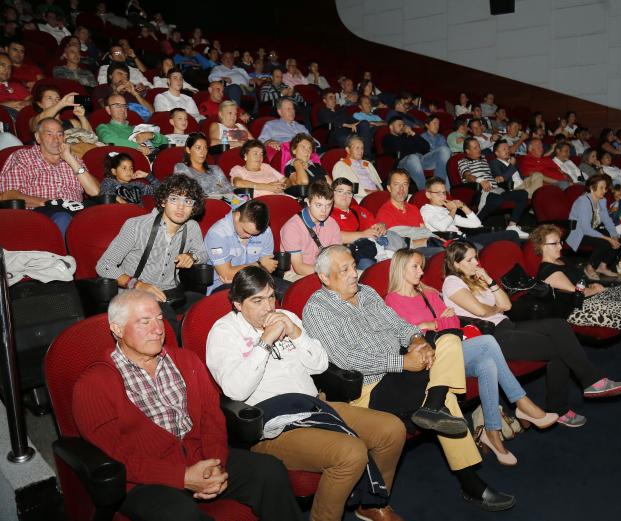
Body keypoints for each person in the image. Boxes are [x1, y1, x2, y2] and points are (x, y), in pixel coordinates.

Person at [303, 245, 516, 512]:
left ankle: (432, 406)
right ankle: (467, 475)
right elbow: (346, 360)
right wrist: (404, 361)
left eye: (354, 266)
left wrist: (417, 341)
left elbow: (399, 325)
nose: (354, 274)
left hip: (402, 369)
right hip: (369, 385)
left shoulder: (367, 293)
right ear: (324, 278)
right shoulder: (318, 309)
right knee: (446, 390)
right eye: (344, 270)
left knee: (448, 340)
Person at [73, 290, 303, 521]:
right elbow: (115, 454)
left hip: (200, 457)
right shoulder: (93, 384)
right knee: (181, 515)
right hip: (145, 480)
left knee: (269, 471)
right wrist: (181, 476)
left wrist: (216, 464)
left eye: (160, 319)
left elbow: (211, 418)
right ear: (117, 329)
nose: (158, 329)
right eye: (144, 322)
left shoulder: (185, 361)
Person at [206, 267, 406, 521]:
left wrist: (296, 333)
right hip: (272, 426)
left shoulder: (286, 317)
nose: (268, 307)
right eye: (257, 301)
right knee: (350, 452)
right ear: (237, 304)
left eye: (270, 297)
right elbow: (236, 390)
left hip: (315, 406)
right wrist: (265, 341)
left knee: (392, 429)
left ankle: (370, 504)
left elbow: (321, 365)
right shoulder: (223, 333)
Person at [385, 249, 558, 464]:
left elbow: (454, 323)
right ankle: (522, 402)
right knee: (488, 342)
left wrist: (430, 324)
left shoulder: (427, 294)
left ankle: (492, 433)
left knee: (487, 364)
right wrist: (435, 323)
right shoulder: (391, 301)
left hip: (452, 349)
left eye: (422, 266)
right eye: (416, 267)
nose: (421, 272)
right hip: (430, 360)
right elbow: (406, 337)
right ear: (401, 269)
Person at [441, 240, 621, 427]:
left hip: (507, 324)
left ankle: (590, 381)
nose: (476, 263)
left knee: (558, 325)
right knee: (557, 349)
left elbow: (507, 305)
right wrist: (495, 308)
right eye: (470, 260)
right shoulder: (452, 282)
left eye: (476, 258)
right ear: (456, 263)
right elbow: (481, 312)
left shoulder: (478, 279)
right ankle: (562, 407)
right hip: (491, 337)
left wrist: (489, 281)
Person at [531, 225, 621, 375]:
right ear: (542, 247)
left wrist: (592, 284)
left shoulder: (561, 261)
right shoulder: (547, 271)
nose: (560, 246)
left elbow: (579, 283)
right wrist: (593, 289)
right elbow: (576, 293)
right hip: (576, 309)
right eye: (554, 243)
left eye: (560, 242)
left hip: (589, 298)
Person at [96, 174, 210, 333]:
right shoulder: (136, 226)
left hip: (173, 293)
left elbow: (202, 254)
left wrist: (192, 257)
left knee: (208, 309)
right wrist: (136, 284)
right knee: (167, 323)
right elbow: (104, 265)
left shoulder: (192, 227)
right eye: (174, 199)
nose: (181, 207)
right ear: (163, 201)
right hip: (135, 294)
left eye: (188, 201)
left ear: (194, 207)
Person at [0, 117, 99, 233]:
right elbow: (7, 195)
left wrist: (71, 160)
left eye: (59, 134)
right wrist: (51, 203)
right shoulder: (22, 157)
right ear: (38, 137)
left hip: (76, 213)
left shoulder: (74, 160)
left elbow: (95, 192)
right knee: (62, 218)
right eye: (49, 134)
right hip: (39, 215)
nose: (56, 140)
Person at [203, 199, 289, 296]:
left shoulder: (265, 231)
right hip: (222, 285)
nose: (249, 236)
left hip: (257, 280)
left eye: (254, 234)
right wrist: (259, 264)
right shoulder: (217, 234)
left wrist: (234, 271)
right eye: (245, 231)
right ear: (237, 216)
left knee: (291, 292)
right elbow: (226, 274)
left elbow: (268, 266)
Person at [457, 137, 529, 238]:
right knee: (497, 198)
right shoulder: (463, 161)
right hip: (481, 191)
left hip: (497, 189)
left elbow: (493, 174)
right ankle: (473, 224)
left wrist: (497, 178)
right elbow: (467, 176)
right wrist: (479, 180)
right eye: (475, 148)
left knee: (523, 194)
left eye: (478, 146)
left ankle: (512, 226)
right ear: (467, 151)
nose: (479, 149)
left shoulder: (484, 159)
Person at [420, 177, 519, 247]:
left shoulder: (446, 211)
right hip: (455, 244)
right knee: (511, 235)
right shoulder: (426, 210)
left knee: (508, 236)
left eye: (444, 192)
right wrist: (453, 210)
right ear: (428, 195)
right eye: (438, 193)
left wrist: (463, 206)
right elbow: (441, 227)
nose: (443, 196)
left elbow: (476, 224)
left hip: (465, 239)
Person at [566, 174, 621, 279]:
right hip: (579, 233)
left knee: (617, 238)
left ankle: (602, 266)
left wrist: (614, 235)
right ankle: (589, 268)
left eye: (605, 188)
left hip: (592, 231)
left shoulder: (602, 201)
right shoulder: (583, 201)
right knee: (604, 242)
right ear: (592, 188)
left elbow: (607, 221)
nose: (605, 191)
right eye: (601, 188)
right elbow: (585, 228)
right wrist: (608, 238)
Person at [280, 181, 341, 280]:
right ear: (308, 202)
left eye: (328, 205)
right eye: (319, 205)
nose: (324, 211)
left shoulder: (332, 223)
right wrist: (328, 272)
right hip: (296, 275)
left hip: (326, 271)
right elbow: (299, 268)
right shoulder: (292, 227)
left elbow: (336, 256)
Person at [376, 170, 443, 258]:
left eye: (405, 184)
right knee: (442, 253)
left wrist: (437, 239)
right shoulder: (384, 212)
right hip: (408, 254)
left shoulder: (414, 209)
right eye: (396, 184)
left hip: (425, 246)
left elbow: (424, 231)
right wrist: (424, 241)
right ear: (389, 188)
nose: (401, 189)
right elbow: (392, 243)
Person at [382, 115, 450, 191]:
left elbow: (426, 147)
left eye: (403, 125)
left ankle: (438, 185)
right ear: (391, 127)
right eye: (399, 125)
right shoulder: (388, 138)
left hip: (421, 159)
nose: (402, 127)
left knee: (445, 150)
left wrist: (412, 133)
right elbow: (398, 150)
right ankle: (425, 191)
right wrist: (404, 137)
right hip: (404, 162)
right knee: (413, 157)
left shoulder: (409, 136)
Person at [97, 94, 168, 154]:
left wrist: (152, 135)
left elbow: (166, 141)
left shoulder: (137, 128)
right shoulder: (103, 127)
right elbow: (109, 139)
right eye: (117, 106)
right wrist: (138, 147)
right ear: (108, 110)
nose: (122, 109)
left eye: (125, 106)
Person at [173, 133, 233, 197]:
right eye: (198, 148)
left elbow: (228, 190)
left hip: (221, 204)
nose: (203, 152)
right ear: (188, 150)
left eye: (205, 148)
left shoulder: (215, 170)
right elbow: (187, 193)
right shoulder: (182, 168)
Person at [331, 135, 383, 199]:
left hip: (377, 195)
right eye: (357, 148)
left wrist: (379, 192)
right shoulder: (340, 165)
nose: (360, 151)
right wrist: (370, 193)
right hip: (359, 198)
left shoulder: (368, 164)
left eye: (362, 148)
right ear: (348, 150)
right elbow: (341, 188)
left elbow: (377, 184)